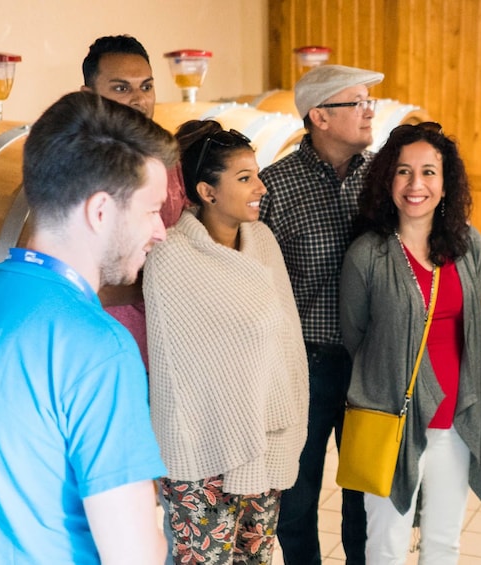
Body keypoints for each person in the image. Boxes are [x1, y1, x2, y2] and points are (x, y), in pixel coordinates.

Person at [0, 91, 175, 564]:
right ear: (100, 211)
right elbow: (133, 553)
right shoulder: (99, 346)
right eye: (152, 209)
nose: (160, 231)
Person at [143, 119, 309, 564]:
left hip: (265, 441)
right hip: (201, 451)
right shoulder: (171, 256)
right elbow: (178, 366)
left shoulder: (263, 242)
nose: (261, 186)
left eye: (256, 174)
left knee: (254, 559)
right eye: (245, 178)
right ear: (206, 191)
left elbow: (286, 343)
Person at [340, 123, 481, 564]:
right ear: (387, 180)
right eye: (404, 172)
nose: (416, 185)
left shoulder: (469, 246)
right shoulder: (367, 255)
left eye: (429, 172)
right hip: (391, 419)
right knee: (386, 546)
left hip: (457, 419)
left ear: (446, 183)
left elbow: (467, 328)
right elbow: (356, 337)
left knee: (443, 543)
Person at [259, 63, 384, 564]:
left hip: (369, 362)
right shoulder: (274, 186)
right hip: (304, 366)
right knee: (296, 499)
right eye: (356, 102)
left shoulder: (382, 178)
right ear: (320, 116)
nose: (369, 110)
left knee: (365, 497)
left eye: (369, 101)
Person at [81, 34, 190, 366]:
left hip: (173, 324)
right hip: (107, 327)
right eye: (121, 88)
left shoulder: (168, 156)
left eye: (146, 87)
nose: (139, 99)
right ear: (89, 96)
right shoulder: (78, 164)